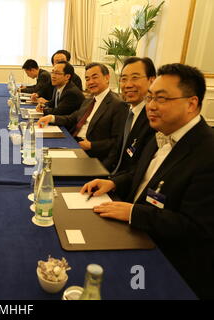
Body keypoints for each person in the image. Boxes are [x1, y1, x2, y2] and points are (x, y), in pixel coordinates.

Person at [81, 63, 214, 299]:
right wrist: (113, 183)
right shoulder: (161, 133)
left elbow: (196, 229)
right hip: (131, 230)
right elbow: (141, 174)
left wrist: (134, 213)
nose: (151, 106)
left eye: (161, 99)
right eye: (151, 97)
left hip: (166, 258)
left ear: (191, 103)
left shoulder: (207, 152)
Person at [38, 63, 128, 164]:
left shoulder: (118, 105)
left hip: (90, 153)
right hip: (73, 142)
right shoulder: (89, 100)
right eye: (87, 79)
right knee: (39, 152)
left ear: (107, 78)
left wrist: (91, 145)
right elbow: (72, 118)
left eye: (94, 77)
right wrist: (51, 118)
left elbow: (117, 141)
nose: (90, 82)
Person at [105, 57, 157, 174]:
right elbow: (116, 152)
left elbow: (141, 167)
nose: (128, 85)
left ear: (152, 81)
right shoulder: (124, 110)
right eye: (124, 79)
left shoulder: (153, 118)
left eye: (135, 78)